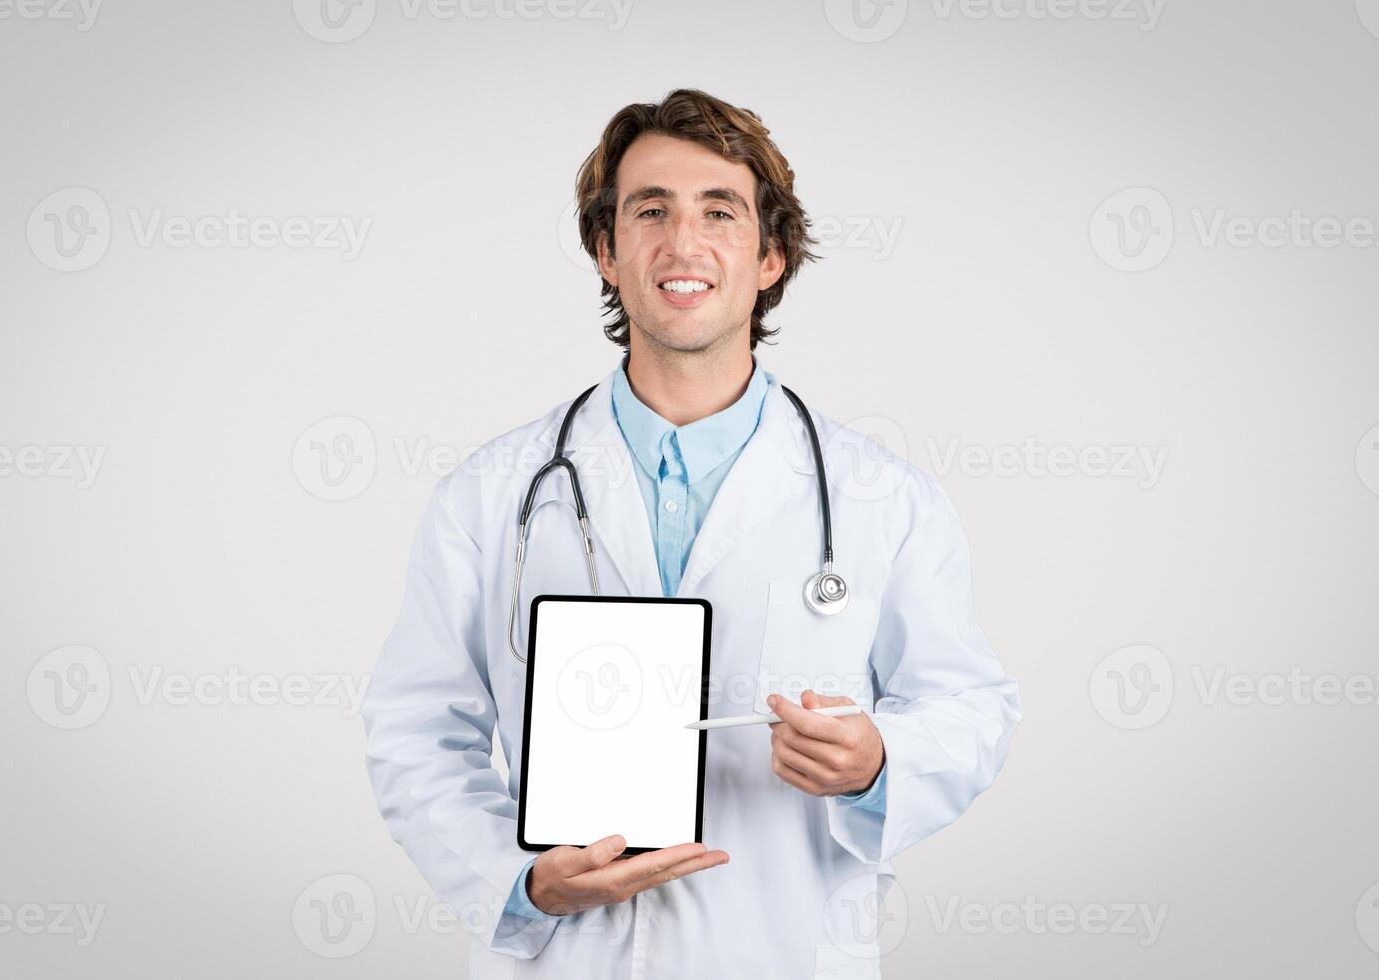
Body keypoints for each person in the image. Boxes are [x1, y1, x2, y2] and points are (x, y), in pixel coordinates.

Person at [361, 88, 1021, 980]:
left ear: (770, 256)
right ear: (606, 250)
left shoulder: (882, 498)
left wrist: (878, 759)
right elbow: (415, 728)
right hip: (568, 958)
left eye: (721, 212)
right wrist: (521, 883)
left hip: (782, 951)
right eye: (650, 212)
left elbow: (970, 707)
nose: (683, 244)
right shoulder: (489, 494)